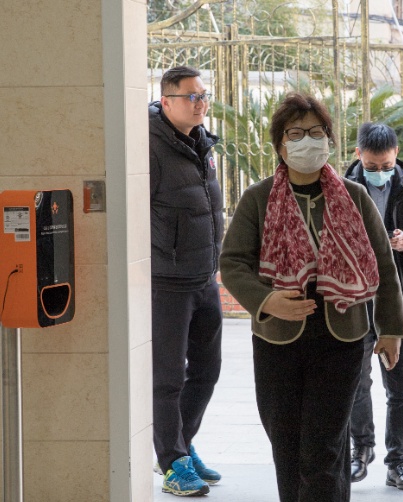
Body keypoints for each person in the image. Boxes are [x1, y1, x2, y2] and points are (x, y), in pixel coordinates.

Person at [219, 93, 403, 502]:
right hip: (277, 337)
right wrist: (267, 301)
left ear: (330, 140)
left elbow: (382, 264)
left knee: (322, 448)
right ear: (280, 145)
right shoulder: (258, 198)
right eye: (296, 133)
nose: (308, 140)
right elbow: (232, 263)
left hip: (341, 336)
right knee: (287, 447)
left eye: (317, 132)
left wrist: (391, 329)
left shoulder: (354, 196)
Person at [344, 122, 403, 491]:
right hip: (356, 302)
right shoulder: (341, 189)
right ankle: (361, 450)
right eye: (372, 166)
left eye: (386, 166)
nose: (379, 172)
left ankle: (398, 462)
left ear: (397, 154)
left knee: (400, 387)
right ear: (358, 155)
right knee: (355, 382)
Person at [149, 66, 224, 497]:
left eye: (203, 95)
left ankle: (182, 442)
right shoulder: (150, 146)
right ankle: (173, 463)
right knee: (168, 378)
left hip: (205, 277)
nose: (201, 103)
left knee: (208, 371)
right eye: (192, 96)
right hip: (167, 282)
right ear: (167, 100)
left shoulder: (202, 142)